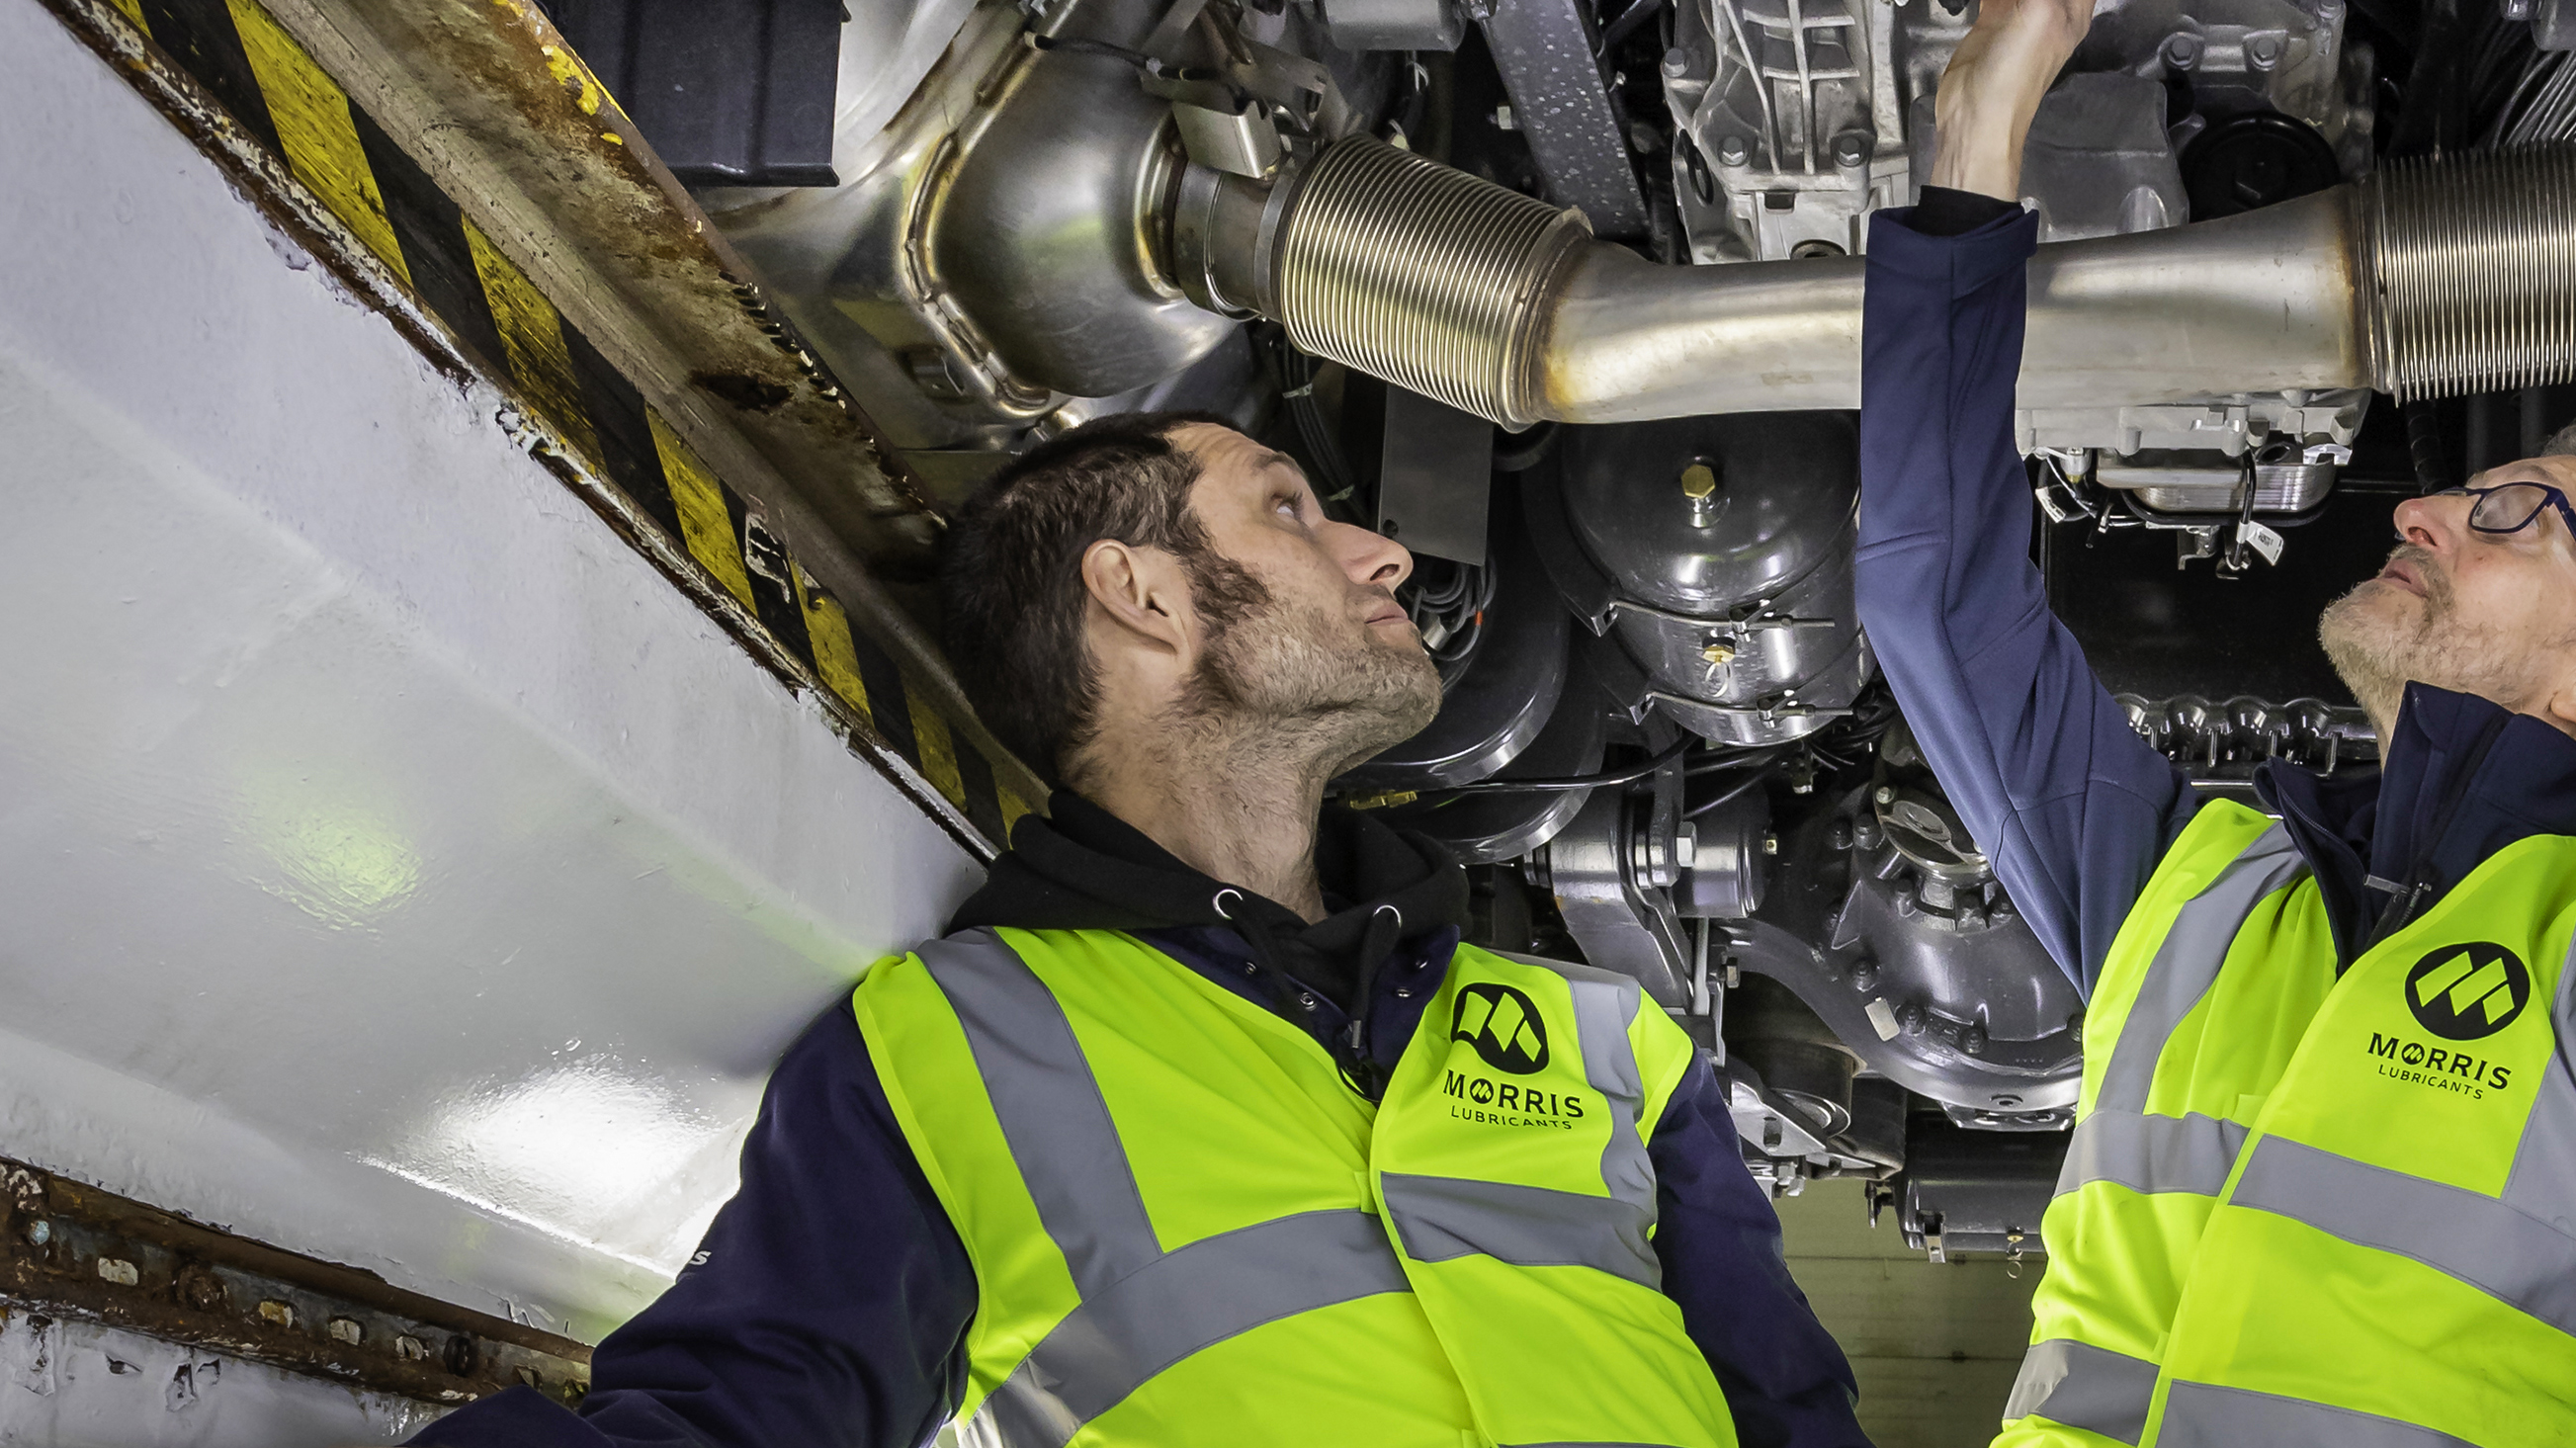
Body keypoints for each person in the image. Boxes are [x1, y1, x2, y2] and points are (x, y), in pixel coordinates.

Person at [1854, 0, 2576, 1448]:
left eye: (2514, 519)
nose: (2422, 509)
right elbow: (1938, 596)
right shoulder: (2190, 892)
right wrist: (1975, 138)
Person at [422, 412, 1866, 1448]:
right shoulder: (946, 1048)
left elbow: (1791, 1414)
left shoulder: (1611, 1037)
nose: (1386, 557)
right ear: (1145, 594)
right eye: (1291, 506)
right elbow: (749, 1406)